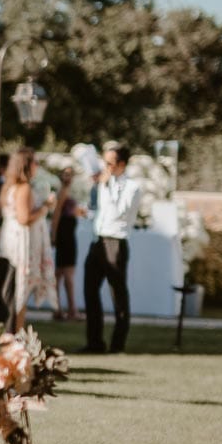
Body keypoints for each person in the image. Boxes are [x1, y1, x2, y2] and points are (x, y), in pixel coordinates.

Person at [83, 144, 143, 354]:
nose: (105, 167)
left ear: (121, 165)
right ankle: (94, 342)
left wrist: (108, 187)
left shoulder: (132, 187)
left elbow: (120, 212)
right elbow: (99, 210)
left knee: (117, 294)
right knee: (90, 290)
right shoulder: (101, 184)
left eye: (109, 163)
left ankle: (118, 344)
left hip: (116, 242)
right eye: (104, 162)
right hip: (98, 240)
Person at [0, 147, 56, 331]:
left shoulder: (9, 186)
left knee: (14, 289)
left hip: (9, 239)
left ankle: (12, 331)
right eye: (35, 162)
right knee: (20, 291)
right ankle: (17, 333)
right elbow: (24, 219)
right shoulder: (23, 188)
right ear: (27, 165)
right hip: (21, 243)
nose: (37, 166)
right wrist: (46, 206)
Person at [52, 166, 82, 321]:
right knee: (66, 274)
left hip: (68, 233)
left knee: (60, 274)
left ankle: (60, 309)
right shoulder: (63, 192)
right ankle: (71, 310)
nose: (68, 177)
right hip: (65, 236)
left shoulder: (68, 192)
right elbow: (56, 214)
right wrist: (54, 234)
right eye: (66, 174)